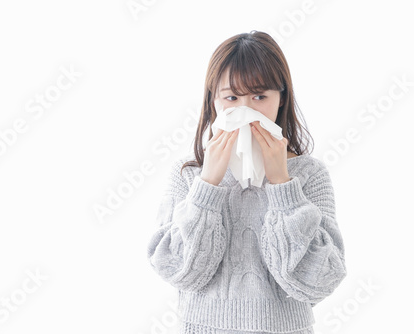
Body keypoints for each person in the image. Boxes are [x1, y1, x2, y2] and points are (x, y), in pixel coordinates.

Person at [146, 31, 347, 334]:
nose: (246, 111)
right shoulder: (187, 175)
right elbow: (178, 271)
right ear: (213, 101)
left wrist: (282, 185)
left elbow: (319, 283)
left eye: (259, 96)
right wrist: (208, 185)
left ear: (281, 100)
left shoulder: (308, 174)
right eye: (231, 98)